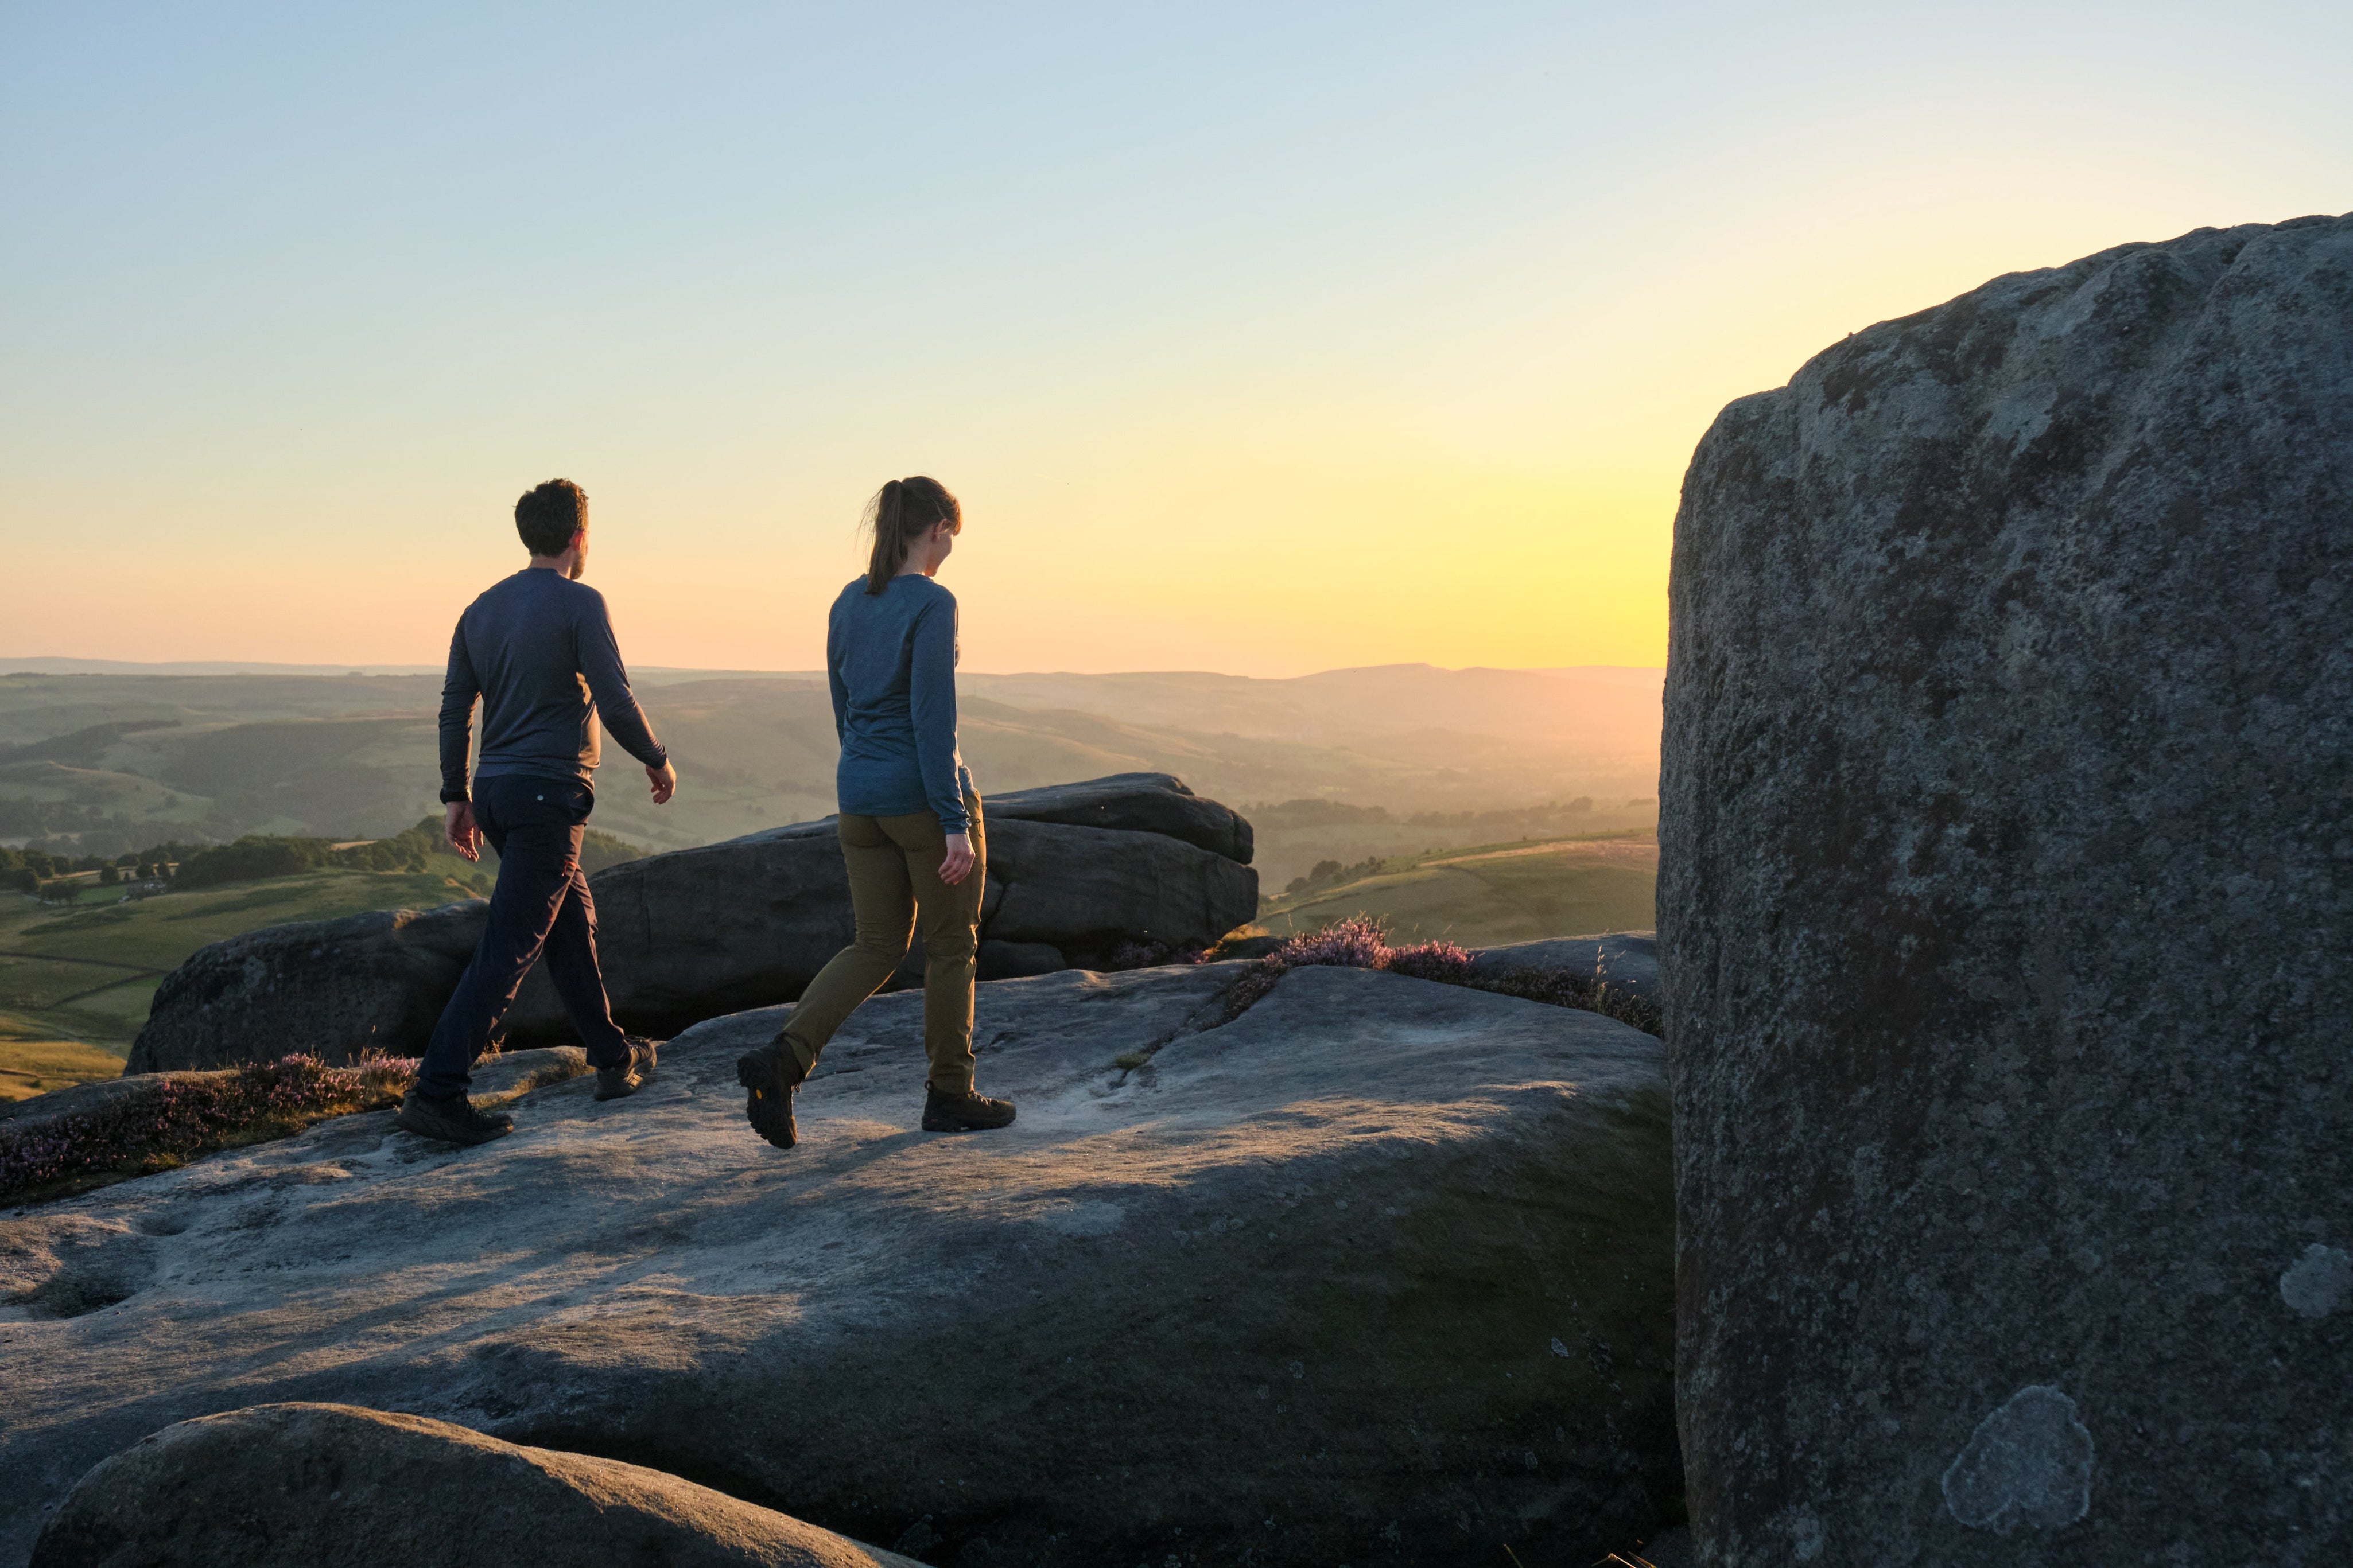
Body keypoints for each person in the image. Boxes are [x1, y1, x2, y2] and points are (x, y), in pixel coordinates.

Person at [394, 478, 680, 1146]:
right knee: (510, 947)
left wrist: (456, 795)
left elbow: (455, 709)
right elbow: (615, 698)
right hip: (549, 794)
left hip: (497, 791)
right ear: (579, 538)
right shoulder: (582, 602)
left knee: (569, 923)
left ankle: (612, 1058)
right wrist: (656, 758)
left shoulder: (480, 609)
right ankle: (437, 1092)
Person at [735, 476, 1016, 1149]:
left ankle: (784, 1059)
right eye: (951, 538)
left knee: (876, 945)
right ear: (937, 531)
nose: (949, 551)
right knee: (950, 947)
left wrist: (865, 775)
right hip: (921, 801)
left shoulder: (847, 600)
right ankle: (950, 1094)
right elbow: (932, 719)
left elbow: (843, 706)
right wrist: (952, 821)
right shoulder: (933, 603)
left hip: (858, 798)